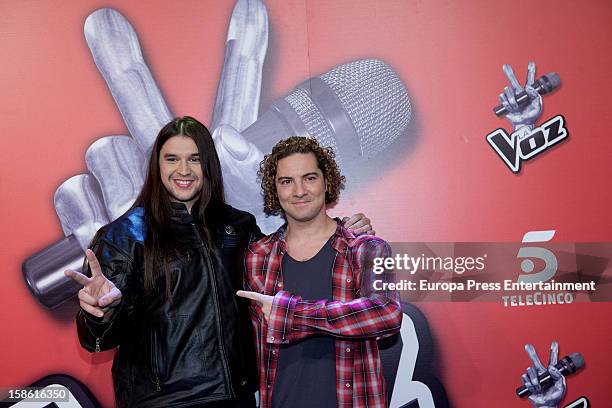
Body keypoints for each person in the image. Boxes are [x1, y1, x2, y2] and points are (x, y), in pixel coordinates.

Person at [64, 117, 373, 407]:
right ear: (157, 166)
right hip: (164, 403)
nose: (183, 170)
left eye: (194, 159)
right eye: (172, 159)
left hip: (236, 397)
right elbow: (95, 340)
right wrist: (100, 313)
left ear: (209, 165)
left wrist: (341, 231)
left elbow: (289, 253)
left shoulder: (238, 227)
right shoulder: (122, 237)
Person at [238, 136, 402, 408]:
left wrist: (290, 313)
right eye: (286, 181)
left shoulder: (365, 249)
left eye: (309, 178)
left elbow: (387, 314)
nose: (299, 190)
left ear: (327, 183)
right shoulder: (257, 257)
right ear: (274, 190)